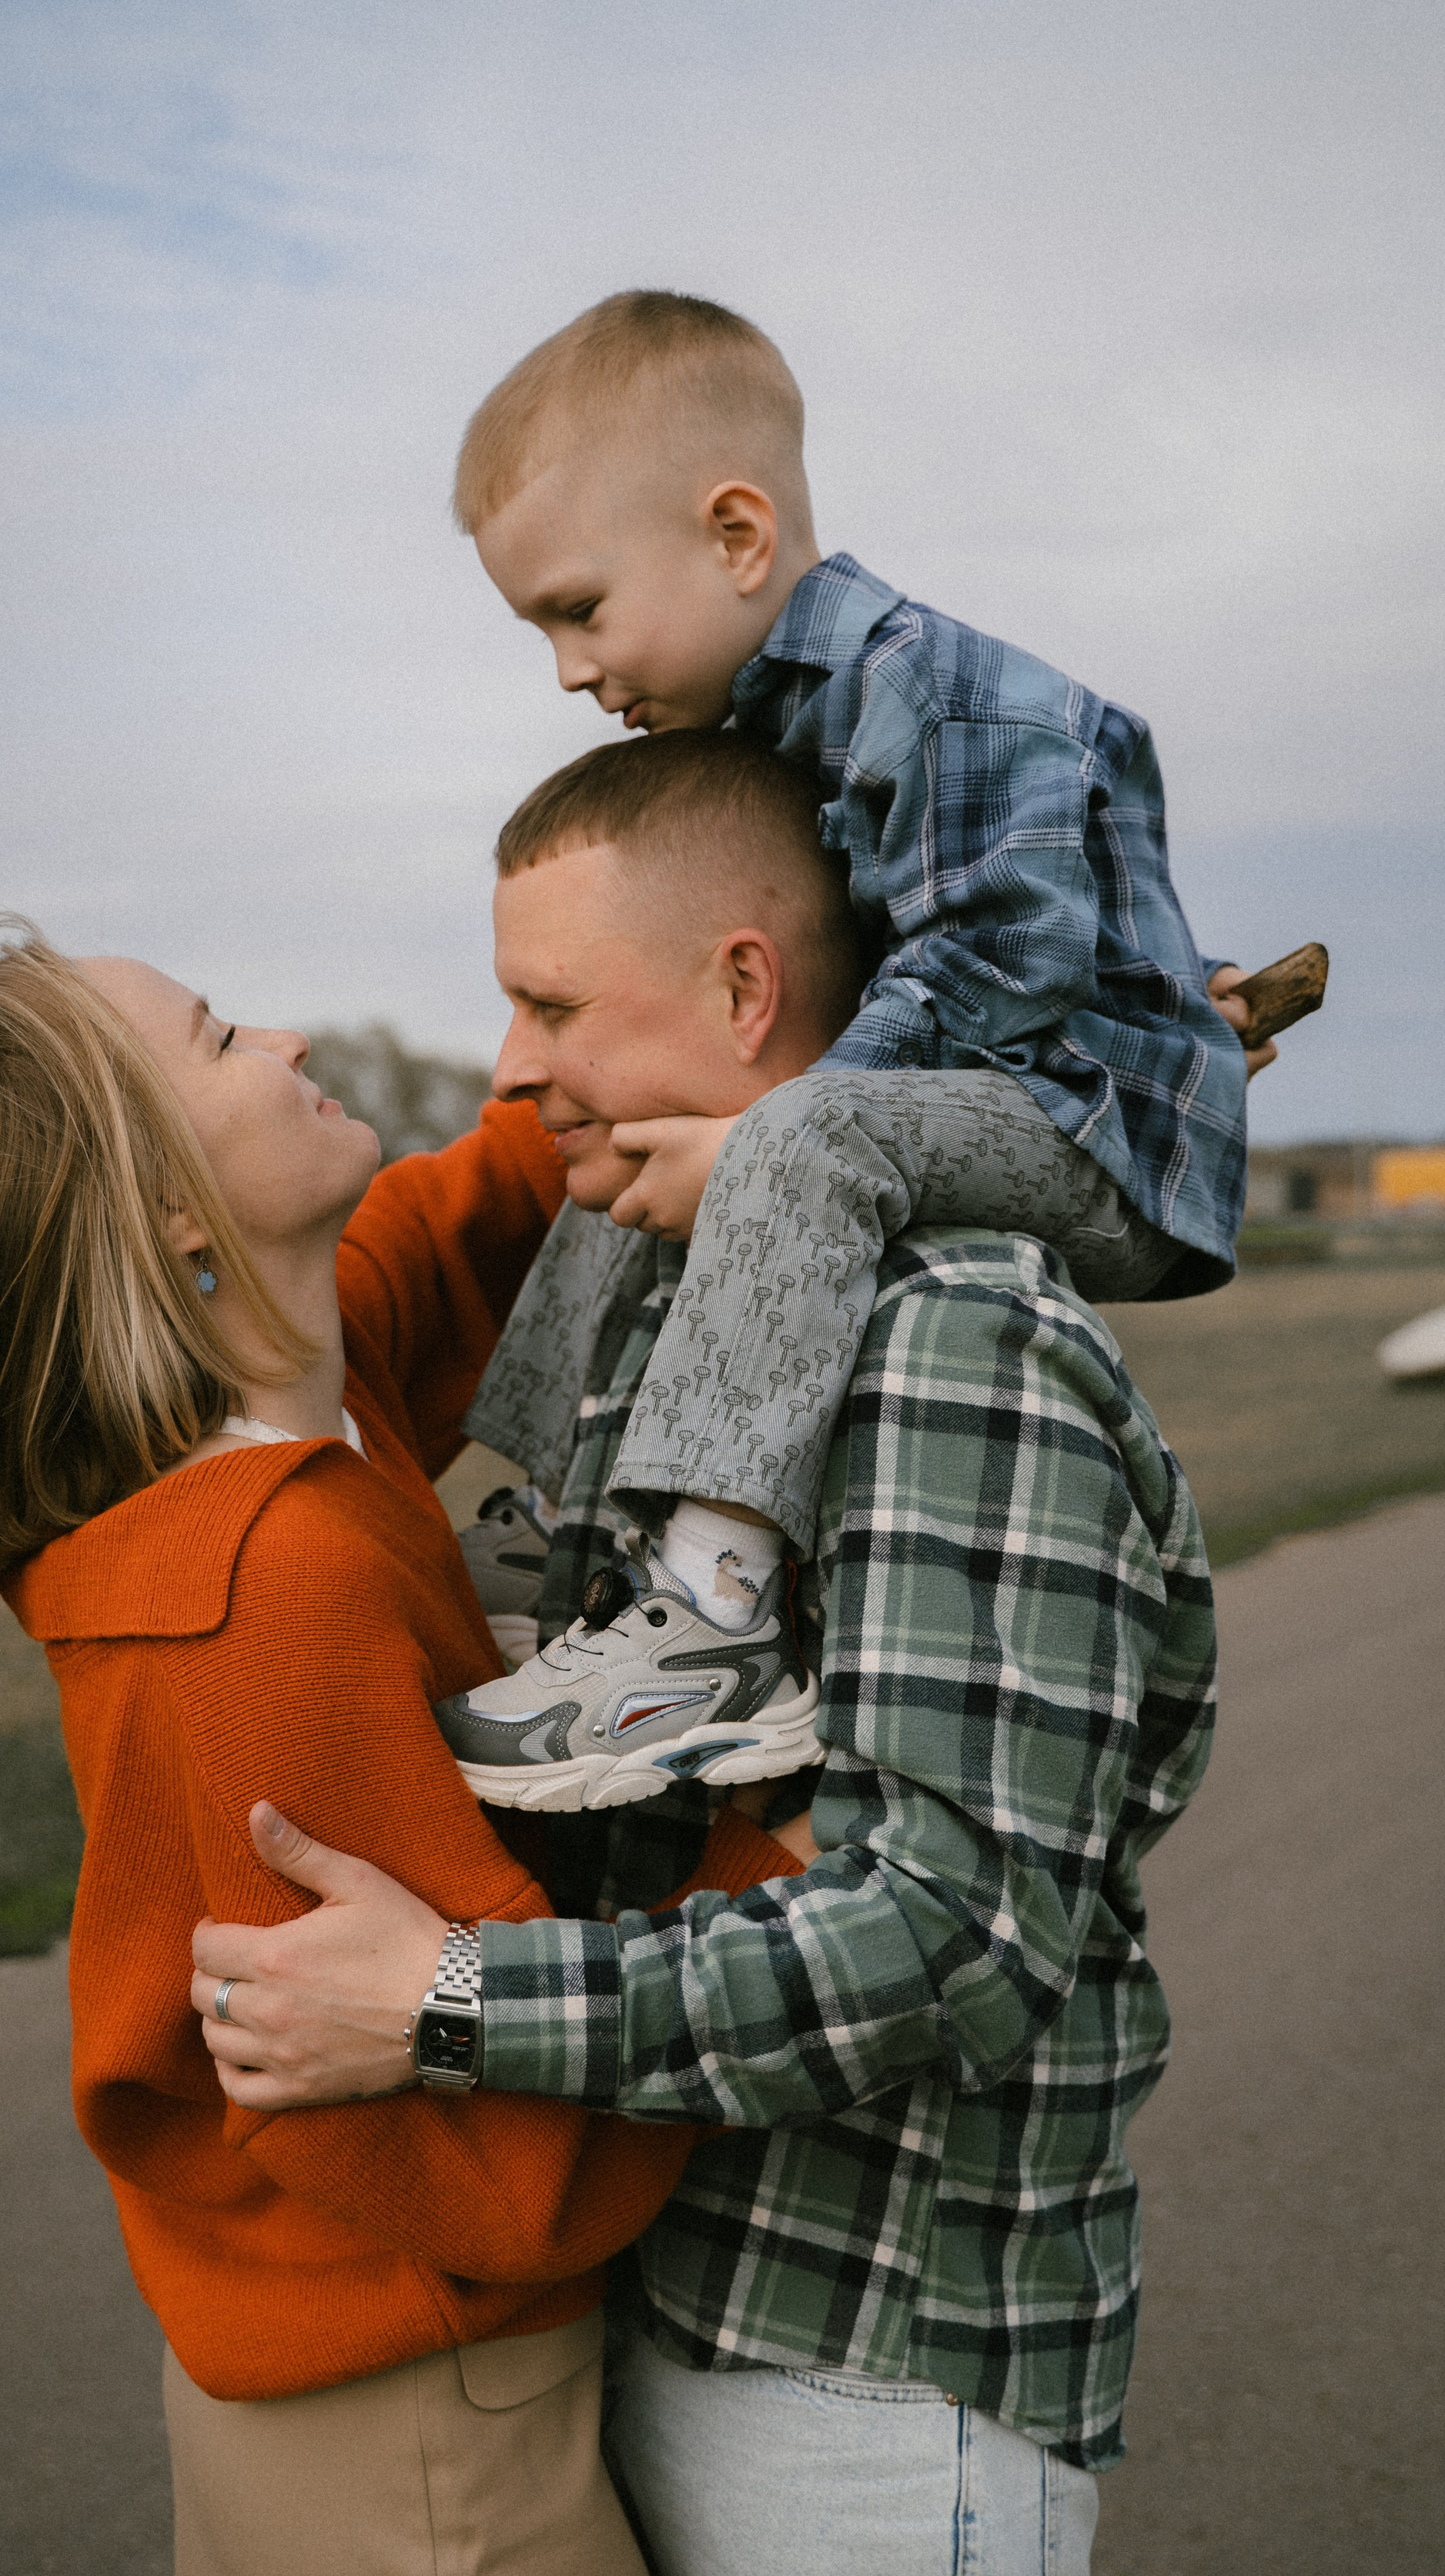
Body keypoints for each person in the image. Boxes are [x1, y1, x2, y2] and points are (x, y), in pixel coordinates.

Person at [190, 734, 1220, 2576]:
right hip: (686, 2301)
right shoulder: (672, 1299)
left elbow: (954, 1934)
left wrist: (449, 2003)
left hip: (876, 2373)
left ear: (749, 990)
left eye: (554, 1009)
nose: (510, 1061)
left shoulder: (954, 1336)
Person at [0, 921, 803, 2576]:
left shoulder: (285, 1407)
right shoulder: (261, 1595)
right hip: (431, 2454)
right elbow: (487, 2151)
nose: (303, 1030)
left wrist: (641, 1040)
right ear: (164, 1211)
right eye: (227, 1034)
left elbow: (449, 1210)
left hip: (341, 2395)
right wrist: (771, 1862)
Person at [435, 287, 1264, 1807]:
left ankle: (713, 1612)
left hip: (1095, 1135)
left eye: (577, 607)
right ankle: (539, 1518)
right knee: (620, 1136)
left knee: (787, 1137)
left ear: (737, 538)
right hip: (1000, 1088)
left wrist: (767, 1123)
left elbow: (998, 948)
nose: (563, 666)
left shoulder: (930, 692)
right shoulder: (791, 724)